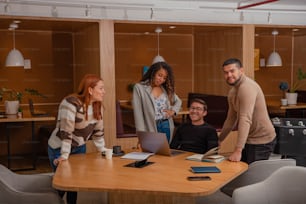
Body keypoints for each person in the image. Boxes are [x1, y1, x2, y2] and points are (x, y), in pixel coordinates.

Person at [47, 74, 107, 204]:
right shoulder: (70, 103)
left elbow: (98, 132)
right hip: (59, 147)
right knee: (62, 185)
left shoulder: (97, 106)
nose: (104, 92)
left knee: (74, 184)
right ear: (90, 90)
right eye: (101, 88)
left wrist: (103, 150)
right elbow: (66, 131)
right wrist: (64, 155)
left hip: (79, 147)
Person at [218, 58, 276, 164]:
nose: (229, 75)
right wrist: (219, 140)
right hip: (248, 139)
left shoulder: (247, 87)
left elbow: (245, 118)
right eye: (226, 73)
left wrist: (238, 150)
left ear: (241, 71)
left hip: (262, 140)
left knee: (253, 176)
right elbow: (230, 120)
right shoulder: (232, 92)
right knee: (242, 173)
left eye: (232, 71)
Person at [132, 61, 182, 143]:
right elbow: (138, 115)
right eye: (160, 75)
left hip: (167, 125)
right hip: (151, 126)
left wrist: (173, 111)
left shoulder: (165, 88)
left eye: (164, 78)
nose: (161, 80)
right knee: (153, 152)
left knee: (166, 152)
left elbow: (178, 101)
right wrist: (141, 137)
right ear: (153, 72)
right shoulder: (139, 88)